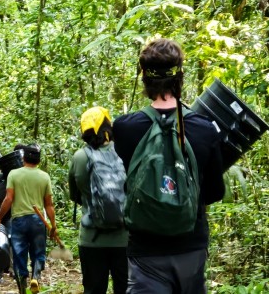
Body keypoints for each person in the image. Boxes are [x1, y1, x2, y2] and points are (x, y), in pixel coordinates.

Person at [113, 38, 225, 293]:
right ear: (179, 77)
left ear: (145, 78)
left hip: (146, 250)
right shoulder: (204, 129)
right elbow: (215, 192)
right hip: (191, 245)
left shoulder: (125, 128)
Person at [69, 106, 128, 294]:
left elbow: (74, 195)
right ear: (108, 126)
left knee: (94, 290)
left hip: (91, 239)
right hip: (124, 238)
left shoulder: (79, 157)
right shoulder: (125, 153)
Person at [0, 144, 56, 294]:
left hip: (19, 221)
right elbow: (49, 205)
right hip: (38, 220)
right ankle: (36, 276)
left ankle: (22, 287)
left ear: (23, 158)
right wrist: (53, 225)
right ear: (39, 161)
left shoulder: (14, 174)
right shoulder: (44, 176)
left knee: (20, 254)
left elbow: (8, 199)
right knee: (38, 252)